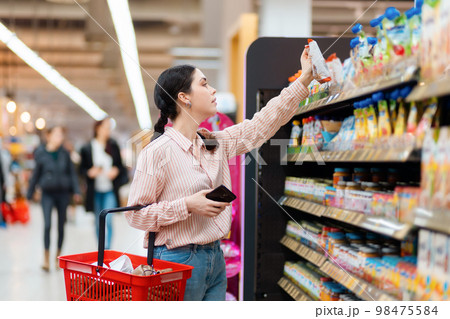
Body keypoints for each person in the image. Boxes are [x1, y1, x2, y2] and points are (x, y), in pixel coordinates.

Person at [125, 47, 313, 300]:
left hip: (215, 256)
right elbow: (136, 216)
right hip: (174, 260)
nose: (213, 90)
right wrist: (188, 205)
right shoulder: (157, 152)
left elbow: (261, 124)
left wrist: (304, 80)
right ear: (184, 97)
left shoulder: (212, 143)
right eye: (204, 84)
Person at [27, 126, 82, 271]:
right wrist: (29, 193)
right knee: (47, 225)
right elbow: (35, 175)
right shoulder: (41, 153)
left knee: (61, 226)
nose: (60, 138)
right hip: (47, 194)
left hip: (63, 194)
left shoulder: (65, 153)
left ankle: (57, 257)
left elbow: (72, 174)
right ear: (48, 136)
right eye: (57, 134)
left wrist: (76, 191)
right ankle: (45, 258)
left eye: (61, 135)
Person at [79, 118, 128, 250]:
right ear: (98, 129)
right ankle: (100, 247)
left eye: (109, 128)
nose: (108, 131)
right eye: (105, 127)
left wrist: (116, 170)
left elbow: (121, 167)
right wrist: (90, 172)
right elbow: (81, 169)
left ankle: (107, 249)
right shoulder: (87, 148)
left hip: (109, 190)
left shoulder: (113, 146)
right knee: (97, 221)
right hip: (94, 191)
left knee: (109, 219)